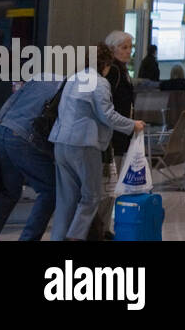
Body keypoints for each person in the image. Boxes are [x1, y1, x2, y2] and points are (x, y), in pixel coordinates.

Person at [49, 45, 143, 241]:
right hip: (84, 144)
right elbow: (107, 115)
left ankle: (58, 238)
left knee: (66, 199)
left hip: (60, 142)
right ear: (106, 64)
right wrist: (132, 124)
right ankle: (75, 238)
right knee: (91, 196)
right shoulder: (99, 83)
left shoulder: (73, 78)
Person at [0, 74, 62, 240]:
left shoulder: (40, 78)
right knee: (50, 190)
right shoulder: (66, 88)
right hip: (24, 137)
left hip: (4, 131)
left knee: (10, 191)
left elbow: (9, 104)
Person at [98, 30, 136, 238]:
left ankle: (103, 227)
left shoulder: (122, 71)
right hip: (114, 138)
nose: (129, 51)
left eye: (130, 47)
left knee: (112, 186)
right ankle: (99, 229)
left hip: (122, 136)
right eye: (124, 47)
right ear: (112, 49)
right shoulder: (113, 72)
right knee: (108, 186)